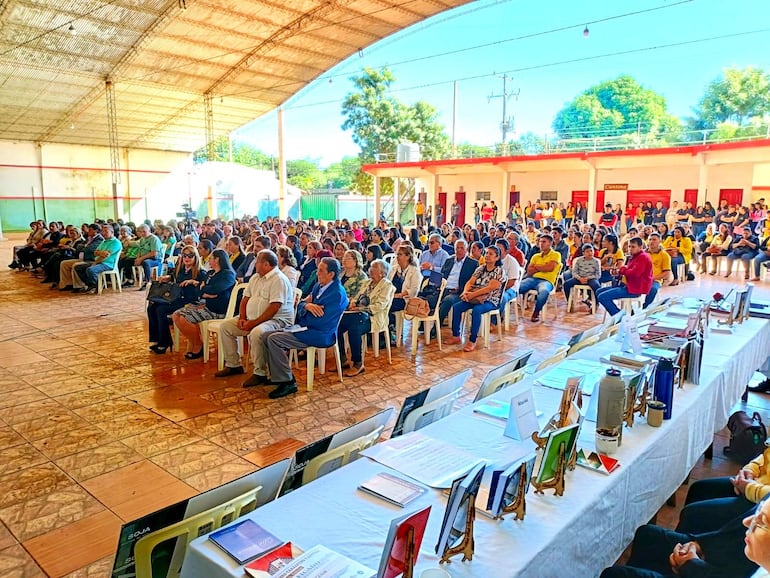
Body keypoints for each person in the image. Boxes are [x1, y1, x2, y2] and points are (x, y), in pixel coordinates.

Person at [263, 257, 349, 399]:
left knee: (274, 339)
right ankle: (276, 375)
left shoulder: (337, 294)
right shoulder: (318, 286)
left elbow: (322, 321)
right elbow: (302, 304)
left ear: (331, 274)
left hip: (321, 334)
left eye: (321, 271)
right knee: (265, 336)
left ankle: (288, 381)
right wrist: (307, 307)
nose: (317, 273)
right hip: (308, 327)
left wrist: (304, 313)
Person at [215, 250, 295, 387]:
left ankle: (260, 373)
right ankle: (233, 364)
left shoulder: (278, 279)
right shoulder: (256, 277)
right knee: (226, 327)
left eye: (257, 261)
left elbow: (274, 307)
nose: (254, 264)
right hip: (252, 319)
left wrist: (253, 323)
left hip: (277, 320)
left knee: (256, 332)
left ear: (266, 264)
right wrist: (242, 318)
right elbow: (245, 299)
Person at [172, 249, 236, 359]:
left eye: (211, 258)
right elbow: (199, 290)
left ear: (217, 260)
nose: (208, 260)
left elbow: (216, 289)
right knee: (176, 315)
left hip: (218, 309)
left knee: (184, 318)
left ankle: (198, 345)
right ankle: (194, 341)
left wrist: (206, 290)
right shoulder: (211, 273)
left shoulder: (227, 274)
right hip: (208, 305)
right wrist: (206, 292)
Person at [338, 259, 393, 377]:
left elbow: (379, 306)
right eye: (371, 267)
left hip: (374, 317)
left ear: (382, 273)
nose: (370, 270)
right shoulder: (367, 282)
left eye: (374, 268)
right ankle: (342, 358)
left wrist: (360, 309)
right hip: (358, 314)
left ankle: (358, 363)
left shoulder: (386, 285)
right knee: (338, 324)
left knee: (354, 328)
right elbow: (357, 296)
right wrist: (353, 303)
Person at [147, 245, 207, 354]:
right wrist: (168, 277)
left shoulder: (200, 272)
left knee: (161, 309)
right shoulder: (180, 269)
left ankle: (164, 343)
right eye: (184, 255)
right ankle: (157, 339)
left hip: (189, 300)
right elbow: (173, 278)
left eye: (190, 255)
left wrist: (193, 282)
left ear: (195, 257)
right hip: (176, 297)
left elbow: (203, 290)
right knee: (152, 307)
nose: (187, 258)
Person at [446, 245, 506, 352]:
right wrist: (465, 292)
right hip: (475, 297)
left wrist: (472, 295)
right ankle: (456, 335)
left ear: (497, 258)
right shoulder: (481, 268)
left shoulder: (499, 271)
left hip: (491, 300)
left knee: (477, 310)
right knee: (457, 307)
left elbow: (490, 288)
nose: (487, 256)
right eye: (486, 253)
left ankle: (472, 340)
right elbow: (470, 282)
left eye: (491, 254)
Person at [596, 237, 654, 316]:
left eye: (633, 247)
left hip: (634, 289)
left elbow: (634, 273)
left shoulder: (643, 257)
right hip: (627, 285)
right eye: (629, 246)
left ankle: (620, 317)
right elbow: (628, 270)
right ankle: (627, 313)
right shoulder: (634, 256)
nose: (630, 249)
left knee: (602, 297)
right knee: (599, 291)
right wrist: (618, 272)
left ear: (640, 247)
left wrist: (622, 269)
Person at [517, 234, 562, 323]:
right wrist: (543, 267)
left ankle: (536, 312)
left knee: (543, 292)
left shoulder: (556, 255)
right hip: (533, 279)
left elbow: (550, 268)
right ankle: (503, 312)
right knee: (515, 288)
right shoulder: (535, 256)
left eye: (544, 242)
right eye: (540, 241)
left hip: (547, 281)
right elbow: (529, 271)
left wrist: (536, 267)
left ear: (550, 243)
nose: (541, 244)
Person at [71, 224, 122, 294]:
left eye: (106, 231)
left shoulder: (116, 242)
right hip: (99, 262)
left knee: (91, 269)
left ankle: (96, 285)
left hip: (108, 264)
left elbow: (106, 255)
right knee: (78, 267)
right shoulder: (103, 242)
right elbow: (95, 252)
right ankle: (92, 285)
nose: (104, 233)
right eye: (103, 232)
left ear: (112, 232)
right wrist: (100, 253)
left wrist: (96, 261)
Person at [438, 239, 479, 325]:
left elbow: (474, 282)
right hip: (443, 288)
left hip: (458, 292)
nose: (459, 250)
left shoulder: (473, 264)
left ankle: (436, 326)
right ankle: (423, 325)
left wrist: (460, 289)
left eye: (462, 248)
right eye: (457, 248)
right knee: (428, 298)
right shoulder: (449, 260)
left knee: (447, 300)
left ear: (466, 250)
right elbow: (442, 275)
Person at [388, 245, 421, 340]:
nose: (397, 257)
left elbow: (414, 289)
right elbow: (388, 283)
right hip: (392, 296)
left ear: (407, 256)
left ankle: (392, 330)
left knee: (388, 305)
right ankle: (385, 331)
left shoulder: (414, 271)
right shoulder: (394, 268)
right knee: (382, 303)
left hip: (405, 299)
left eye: (400, 254)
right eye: (397, 254)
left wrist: (399, 295)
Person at [564, 244, 602, 313]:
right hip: (580, 278)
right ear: (583, 253)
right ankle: (570, 301)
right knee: (566, 284)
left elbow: (598, 275)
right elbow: (574, 272)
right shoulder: (579, 260)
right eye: (587, 251)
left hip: (591, 278)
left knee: (596, 286)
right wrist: (580, 278)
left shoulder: (596, 261)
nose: (590, 253)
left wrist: (588, 278)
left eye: (591, 251)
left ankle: (596, 303)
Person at [495, 238, 521, 319]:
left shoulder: (512, 262)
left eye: (499, 250)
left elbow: (511, 282)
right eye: (496, 249)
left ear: (506, 251)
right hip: (495, 287)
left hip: (510, 288)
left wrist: (498, 290)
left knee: (502, 298)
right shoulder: (493, 260)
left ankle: (495, 320)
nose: (497, 252)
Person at [646, 233, 672, 308]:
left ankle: (646, 307)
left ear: (659, 241)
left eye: (654, 240)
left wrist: (652, 278)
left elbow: (666, 273)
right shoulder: (643, 253)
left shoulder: (664, 255)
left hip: (655, 280)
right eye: (650, 240)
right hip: (641, 279)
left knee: (653, 289)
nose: (651, 242)